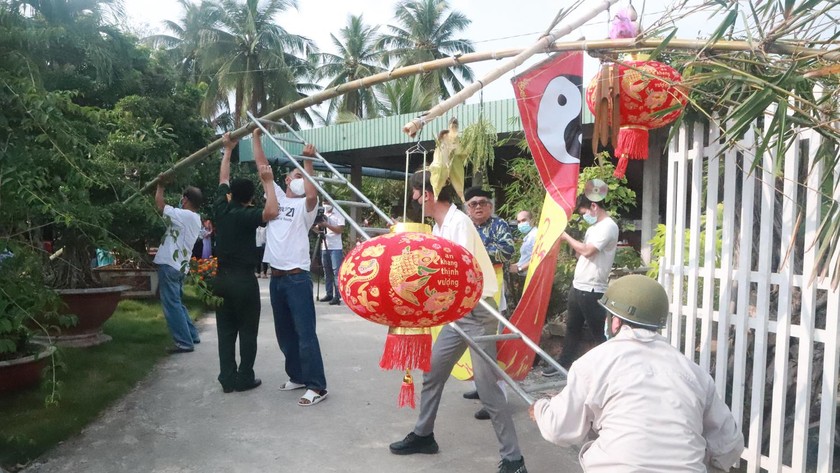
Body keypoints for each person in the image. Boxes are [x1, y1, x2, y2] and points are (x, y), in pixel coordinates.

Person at [530, 275, 745, 472]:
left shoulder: (592, 363)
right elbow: (730, 444)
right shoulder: (694, 372)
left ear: (615, 321)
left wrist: (540, 409)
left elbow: (559, 429)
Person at [389, 171, 528, 473]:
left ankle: (514, 459)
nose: (414, 201)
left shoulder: (459, 223)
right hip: (457, 313)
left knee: (488, 389)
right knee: (434, 372)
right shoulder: (440, 226)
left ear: (425, 194)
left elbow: (460, 273)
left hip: (477, 313)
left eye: (414, 195)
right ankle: (424, 436)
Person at [210, 130, 279, 393]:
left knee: (225, 332)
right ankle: (244, 377)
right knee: (247, 333)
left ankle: (227, 378)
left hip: (221, 278)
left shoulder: (222, 209)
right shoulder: (247, 215)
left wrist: (228, 149)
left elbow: (223, 178)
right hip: (243, 280)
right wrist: (269, 182)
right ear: (250, 197)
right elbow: (272, 211)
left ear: (231, 195)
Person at [262, 141, 328, 407]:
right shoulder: (276, 196)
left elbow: (311, 196)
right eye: (297, 175)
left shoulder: (306, 207)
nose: (300, 180)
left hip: (297, 277)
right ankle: (298, 376)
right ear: (287, 179)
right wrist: (256, 136)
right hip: (277, 278)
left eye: (304, 177)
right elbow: (261, 167)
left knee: (305, 334)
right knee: (284, 333)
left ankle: (317, 386)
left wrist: (308, 162)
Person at [542, 193, 619, 377]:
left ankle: (609, 371)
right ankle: (563, 365)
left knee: (598, 333)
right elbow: (581, 252)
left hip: (592, 288)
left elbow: (588, 251)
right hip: (579, 285)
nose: (583, 214)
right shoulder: (594, 227)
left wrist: (566, 237)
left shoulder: (608, 226)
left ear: (594, 206)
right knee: (572, 328)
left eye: (583, 210)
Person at [462, 186, 515, 415]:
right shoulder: (464, 227)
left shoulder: (499, 225)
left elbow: (507, 251)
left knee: (491, 341)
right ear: (467, 208)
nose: (478, 207)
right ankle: (481, 386)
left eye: (482, 203)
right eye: (473, 204)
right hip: (469, 289)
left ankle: (498, 396)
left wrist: (476, 253)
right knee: (473, 341)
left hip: (492, 288)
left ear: (490, 206)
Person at [153, 178, 203, 354]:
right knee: (177, 303)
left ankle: (183, 342)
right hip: (180, 266)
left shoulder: (184, 215)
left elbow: (160, 206)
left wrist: (160, 185)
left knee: (171, 304)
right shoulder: (196, 219)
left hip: (170, 264)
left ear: (186, 200)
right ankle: (191, 335)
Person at [316, 203, 345, 305]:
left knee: (336, 272)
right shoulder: (323, 213)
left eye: (327, 203)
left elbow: (340, 230)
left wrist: (327, 225)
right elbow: (317, 229)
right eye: (324, 203)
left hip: (336, 247)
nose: (325, 205)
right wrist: (314, 225)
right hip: (325, 245)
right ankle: (329, 294)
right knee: (326, 271)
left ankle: (338, 295)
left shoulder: (339, 214)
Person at [509, 211, 537, 276]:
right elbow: (526, 259)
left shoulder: (535, 235)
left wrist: (520, 269)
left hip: (533, 277)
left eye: (524, 220)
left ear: (532, 220)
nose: (521, 224)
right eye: (518, 222)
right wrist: (513, 266)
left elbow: (538, 258)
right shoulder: (529, 236)